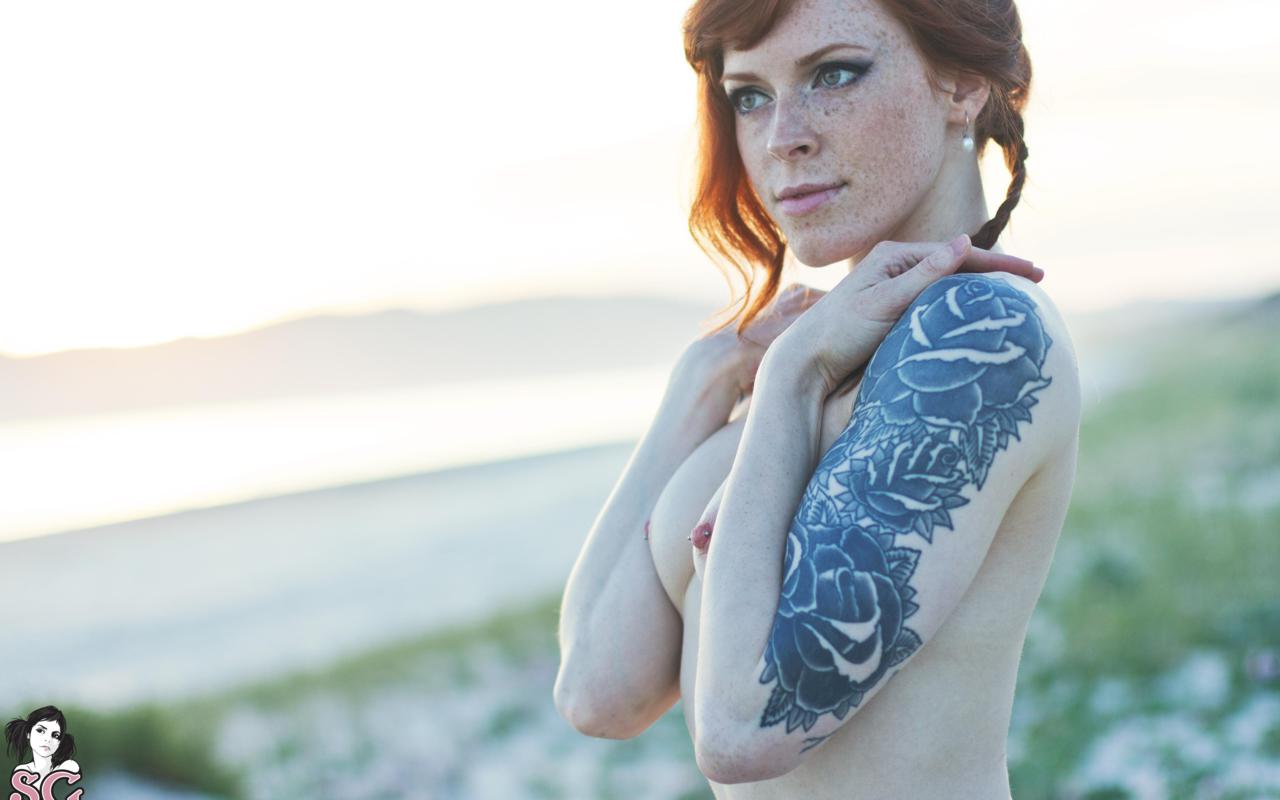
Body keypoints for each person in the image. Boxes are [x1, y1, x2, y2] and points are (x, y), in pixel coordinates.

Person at [555, 0, 1080, 796]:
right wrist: (703, 380)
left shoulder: (978, 334)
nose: (781, 137)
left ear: (962, 84)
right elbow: (599, 693)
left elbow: (743, 732)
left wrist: (791, 374)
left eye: (834, 74)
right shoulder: (826, 354)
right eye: (750, 95)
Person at [6, 706, 80, 789]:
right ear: (28, 733)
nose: (48, 739)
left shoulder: (68, 766)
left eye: (55, 735)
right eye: (40, 731)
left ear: (60, 742)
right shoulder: (22, 771)